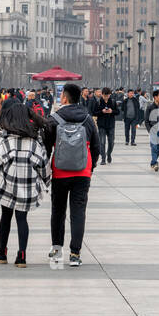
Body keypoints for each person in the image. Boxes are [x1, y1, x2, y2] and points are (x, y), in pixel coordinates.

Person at [0, 97, 51, 269]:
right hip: (28, 188)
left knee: (5, 217)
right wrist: (45, 182)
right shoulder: (34, 141)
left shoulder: (6, 140)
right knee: (22, 219)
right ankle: (22, 255)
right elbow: (43, 165)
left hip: (7, 185)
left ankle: (2, 252)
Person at [46, 82, 100, 268]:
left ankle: (56, 249)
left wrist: (46, 168)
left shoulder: (54, 118)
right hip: (82, 172)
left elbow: (46, 146)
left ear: (64, 98)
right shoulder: (87, 119)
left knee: (58, 210)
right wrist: (90, 169)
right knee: (78, 212)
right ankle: (75, 253)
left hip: (60, 172)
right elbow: (96, 147)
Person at [145, 88, 159, 172]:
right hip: (153, 131)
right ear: (155, 97)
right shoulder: (150, 108)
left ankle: (153, 163)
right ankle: (155, 163)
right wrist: (149, 130)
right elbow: (146, 121)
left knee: (158, 148)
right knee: (154, 147)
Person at [95, 86, 117, 164]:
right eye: (104, 95)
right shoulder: (98, 102)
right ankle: (103, 158)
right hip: (101, 125)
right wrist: (102, 111)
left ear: (110, 95)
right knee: (102, 142)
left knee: (111, 142)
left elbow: (118, 112)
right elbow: (94, 112)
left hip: (111, 125)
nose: (106, 97)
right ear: (102, 94)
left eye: (107, 95)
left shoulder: (113, 102)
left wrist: (112, 111)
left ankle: (109, 154)